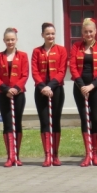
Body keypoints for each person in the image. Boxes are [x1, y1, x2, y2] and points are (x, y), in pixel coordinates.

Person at [70, 18, 97, 167]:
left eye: (91, 31)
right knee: (84, 119)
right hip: (80, 87)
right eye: (86, 32)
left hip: (96, 88)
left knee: (95, 118)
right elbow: (72, 66)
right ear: (82, 33)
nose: (88, 34)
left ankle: (96, 153)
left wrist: (92, 86)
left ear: (95, 32)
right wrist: (82, 86)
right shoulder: (76, 46)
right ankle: (87, 154)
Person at [32, 23, 67, 167]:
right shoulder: (36, 51)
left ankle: (55, 155)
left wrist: (50, 86)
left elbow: (61, 70)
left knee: (56, 121)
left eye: (52, 33)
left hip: (56, 89)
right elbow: (34, 71)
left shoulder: (61, 50)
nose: (50, 36)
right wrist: (43, 87)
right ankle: (47, 155)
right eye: (47, 34)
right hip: (40, 90)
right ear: (42, 35)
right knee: (45, 121)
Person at [0, 28, 29, 167]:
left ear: (16, 40)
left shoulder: (23, 56)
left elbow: (25, 74)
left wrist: (16, 89)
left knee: (17, 123)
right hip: (3, 94)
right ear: (4, 41)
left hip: (18, 94)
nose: (10, 42)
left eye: (12, 39)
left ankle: (17, 156)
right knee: (7, 124)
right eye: (7, 40)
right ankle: (10, 156)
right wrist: (5, 89)